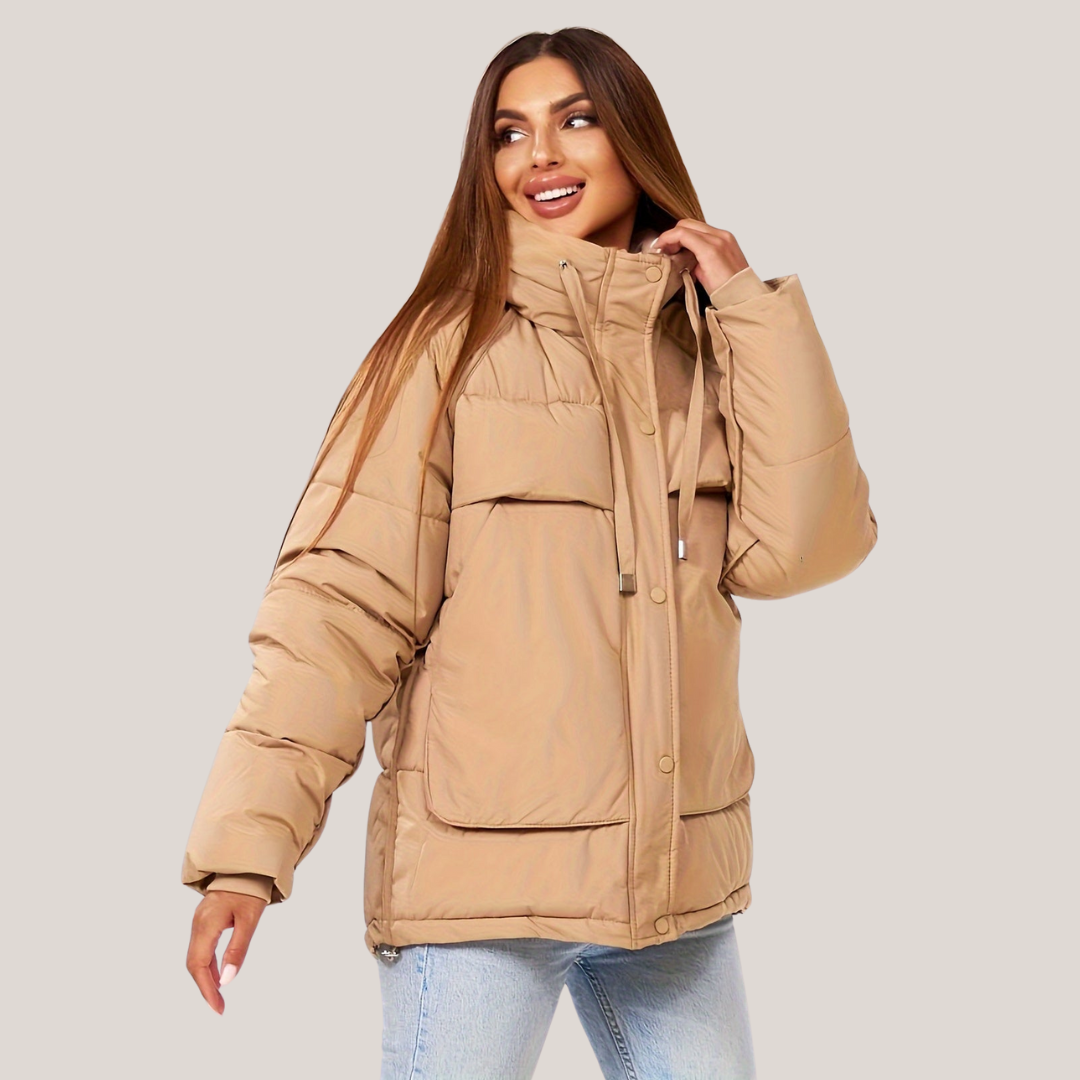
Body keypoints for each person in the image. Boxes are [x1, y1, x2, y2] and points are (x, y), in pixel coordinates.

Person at [182, 26, 877, 1079]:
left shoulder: (698, 349)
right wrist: (246, 851)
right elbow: (338, 609)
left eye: (576, 120)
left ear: (634, 138)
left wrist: (748, 307)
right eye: (509, 134)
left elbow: (805, 551)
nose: (539, 156)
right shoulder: (445, 347)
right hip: (480, 900)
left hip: (671, 892)